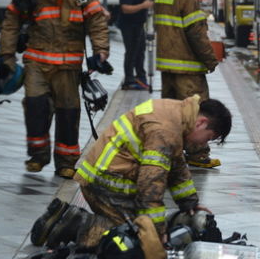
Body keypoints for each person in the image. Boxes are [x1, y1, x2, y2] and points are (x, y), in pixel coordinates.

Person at [30, 95, 232, 256]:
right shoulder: (165, 130)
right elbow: (150, 187)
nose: (204, 144)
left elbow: (177, 166)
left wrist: (189, 203)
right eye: (209, 138)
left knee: (141, 233)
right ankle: (74, 223)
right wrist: (156, 232)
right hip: (107, 182)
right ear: (201, 123)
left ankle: (71, 220)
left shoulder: (177, 113)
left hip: (109, 174)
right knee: (131, 239)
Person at [0, 0, 109, 178]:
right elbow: (11, 21)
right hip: (36, 60)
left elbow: (96, 18)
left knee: (68, 113)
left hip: (69, 64)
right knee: (35, 108)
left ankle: (66, 162)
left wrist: (101, 50)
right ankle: (38, 156)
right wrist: (6, 55)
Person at [154, 0, 220, 168]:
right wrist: (210, 59)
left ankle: (167, 153)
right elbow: (195, 32)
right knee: (195, 112)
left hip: (167, 65)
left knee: (169, 114)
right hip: (188, 67)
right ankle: (198, 154)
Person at [118, 0, 153, 90]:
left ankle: (140, 75)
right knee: (131, 51)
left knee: (140, 50)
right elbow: (125, 9)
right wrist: (143, 5)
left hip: (138, 23)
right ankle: (129, 79)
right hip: (128, 24)